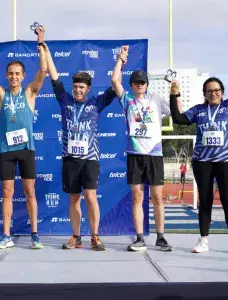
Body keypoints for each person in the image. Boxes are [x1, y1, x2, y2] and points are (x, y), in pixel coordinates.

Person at [40, 40, 120, 252]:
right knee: (74, 198)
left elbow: (115, 85)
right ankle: (76, 237)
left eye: (81, 87)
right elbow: (54, 78)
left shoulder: (96, 103)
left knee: (91, 197)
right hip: (70, 159)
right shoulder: (65, 100)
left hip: (90, 159)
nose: (77, 90)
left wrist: (120, 61)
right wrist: (46, 51)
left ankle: (95, 236)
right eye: (75, 87)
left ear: (88, 89)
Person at [0, 30, 47, 249]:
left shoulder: (30, 93)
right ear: (6, 76)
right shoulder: (0, 94)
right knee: (7, 193)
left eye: (17, 73)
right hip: (6, 150)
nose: (14, 77)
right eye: (10, 73)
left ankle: (35, 234)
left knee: (29, 192)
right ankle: (6, 235)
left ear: (23, 76)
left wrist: (40, 43)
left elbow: (43, 70)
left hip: (26, 149)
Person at [112, 45, 173, 252]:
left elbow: (174, 110)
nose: (140, 85)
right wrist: (121, 59)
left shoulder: (156, 99)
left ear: (147, 84)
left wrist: (176, 93)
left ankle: (161, 238)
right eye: (137, 82)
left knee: (157, 197)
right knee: (137, 196)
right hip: (135, 154)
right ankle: (139, 238)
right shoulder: (127, 100)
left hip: (154, 153)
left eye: (143, 82)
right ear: (132, 85)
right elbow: (114, 81)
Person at [170, 77, 228, 253]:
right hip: (202, 161)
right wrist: (174, 94)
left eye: (217, 90)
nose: (213, 93)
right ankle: (203, 240)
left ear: (222, 92)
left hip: (224, 160)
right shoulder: (198, 110)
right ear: (204, 93)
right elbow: (178, 119)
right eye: (209, 91)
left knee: (226, 199)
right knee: (205, 199)